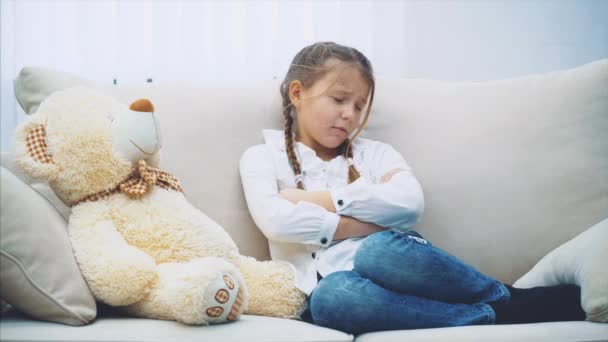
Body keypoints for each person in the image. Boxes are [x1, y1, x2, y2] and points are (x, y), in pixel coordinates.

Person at [239, 41, 585, 335]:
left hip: (397, 265)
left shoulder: (375, 154)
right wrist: (363, 222)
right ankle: (492, 315)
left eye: (360, 106)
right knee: (331, 297)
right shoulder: (261, 157)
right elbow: (276, 221)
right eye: (340, 99)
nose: (350, 115)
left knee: (375, 251)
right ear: (297, 93)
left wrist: (318, 200)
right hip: (336, 290)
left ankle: (507, 297)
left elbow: (409, 205)